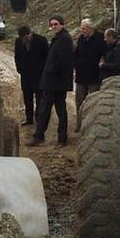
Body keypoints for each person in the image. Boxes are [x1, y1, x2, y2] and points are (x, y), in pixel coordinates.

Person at [28, 14, 74, 147]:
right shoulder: (58, 38)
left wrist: (51, 71)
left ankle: (50, 137)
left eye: (56, 24)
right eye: (52, 24)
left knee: (53, 110)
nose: (53, 26)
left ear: (62, 25)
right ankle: (51, 137)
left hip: (57, 82)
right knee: (51, 109)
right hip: (53, 81)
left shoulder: (64, 39)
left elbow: (64, 61)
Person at [73, 18, 105, 132]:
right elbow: (77, 53)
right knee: (80, 102)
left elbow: (105, 54)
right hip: (81, 76)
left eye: (83, 28)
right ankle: (80, 124)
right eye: (81, 28)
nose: (82, 30)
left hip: (94, 76)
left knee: (93, 102)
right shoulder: (81, 38)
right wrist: (75, 65)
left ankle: (93, 125)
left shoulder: (100, 38)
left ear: (90, 28)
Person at [14, 26, 49, 126]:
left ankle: (39, 119)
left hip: (39, 75)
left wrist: (43, 71)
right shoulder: (18, 41)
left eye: (25, 37)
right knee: (27, 97)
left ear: (29, 33)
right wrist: (19, 69)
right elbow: (17, 56)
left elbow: (46, 57)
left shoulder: (41, 40)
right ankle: (29, 118)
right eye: (22, 38)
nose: (24, 40)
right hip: (25, 75)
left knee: (39, 98)